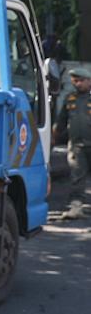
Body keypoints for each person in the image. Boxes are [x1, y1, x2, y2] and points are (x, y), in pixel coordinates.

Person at [55, 66, 91, 218]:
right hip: (77, 146)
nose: (77, 84)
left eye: (81, 81)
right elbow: (61, 122)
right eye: (75, 81)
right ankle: (76, 207)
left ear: (89, 81)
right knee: (77, 176)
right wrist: (53, 138)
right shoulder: (70, 99)